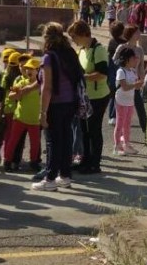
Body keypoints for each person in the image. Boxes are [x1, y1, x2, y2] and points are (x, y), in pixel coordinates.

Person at [32, 22, 84, 191]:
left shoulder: (49, 57)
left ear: (46, 38)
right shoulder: (69, 53)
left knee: (53, 141)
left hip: (55, 103)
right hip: (70, 102)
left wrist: (43, 112)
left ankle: (50, 178)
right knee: (66, 139)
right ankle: (65, 175)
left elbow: (47, 87)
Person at [68, 21, 110, 175]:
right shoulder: (82, 51)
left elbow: (102, 73)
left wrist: (82, 77)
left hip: (98, 96)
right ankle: (85, 160)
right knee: (84, 130)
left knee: (94, 129)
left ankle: (95, 163)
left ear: (82, 34)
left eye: (74, 37)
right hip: (85, 96)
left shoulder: (98, 50)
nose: (74, 40)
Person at [4, 57, 42, 172]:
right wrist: (17, 94)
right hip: (20, 118)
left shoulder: (41, 85)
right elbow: (10, 96)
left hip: (35, 120)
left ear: (38, 71)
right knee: (13, 141)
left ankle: (34, 163)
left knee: (35, 143)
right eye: (26, 69)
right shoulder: (21, 82)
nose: (28, 71)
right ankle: (7, 162)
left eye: (31, 69)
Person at [113, 25, 147, 134]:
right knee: (123, 112)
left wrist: (142, 80)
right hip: (123, 82)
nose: (139, 35)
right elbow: (114, 61)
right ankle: (121, 137)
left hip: (135, 83)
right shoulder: (121, 47)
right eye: (136, 32)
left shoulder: (140, 49)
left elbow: (141, 67)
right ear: (130, 34)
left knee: (141, 109)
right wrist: (124, 64)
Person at [113, 47, 142, 155]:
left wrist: (139, 85)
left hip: (130, 101)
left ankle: (126, 144)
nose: (136, 59)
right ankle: (117, 146)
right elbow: (124, 87)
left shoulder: (132, 71)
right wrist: (136, 84)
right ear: (127, 59)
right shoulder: (121, 71)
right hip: (121, 101)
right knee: (120, 123)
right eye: (134, 58)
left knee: (127, 124)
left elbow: (135, 86)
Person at [107, 22, 127, 125]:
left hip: (111, 70)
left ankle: (111, 116)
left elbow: (109, 57)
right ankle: (114, 115)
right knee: (119, 94)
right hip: (120, 70)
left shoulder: (111, 42)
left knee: (112, 94)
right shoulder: (125, 43)